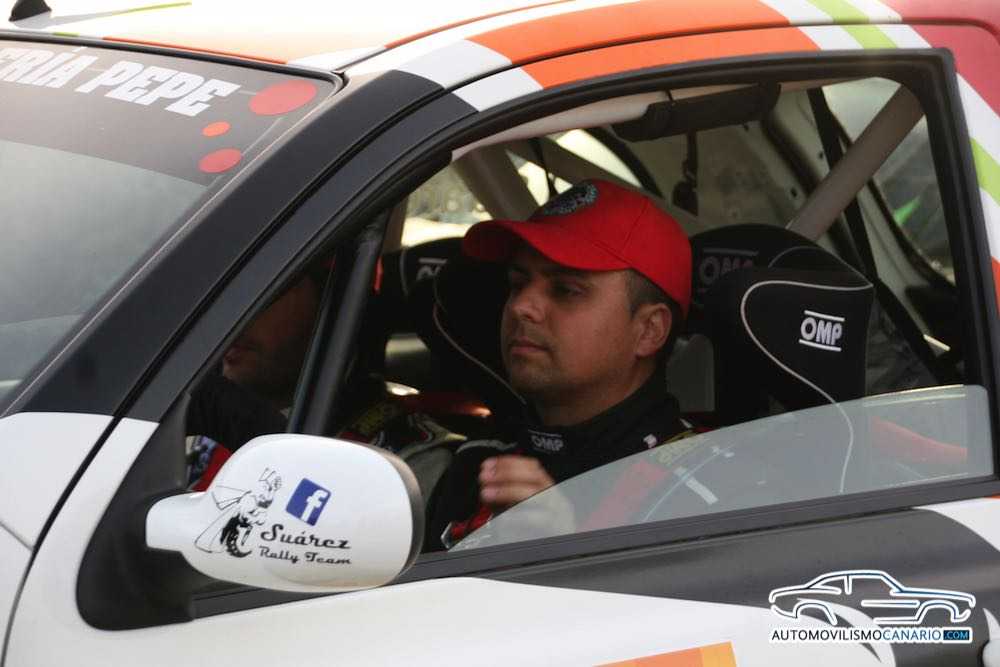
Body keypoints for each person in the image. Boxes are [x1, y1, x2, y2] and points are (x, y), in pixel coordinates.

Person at [428, 179, 694, 549]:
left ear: (649, 330)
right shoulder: (478, 458)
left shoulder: (702, 485)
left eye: (565, 290)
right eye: (517, 284)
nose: (521, 307)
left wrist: (562, 551)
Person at [186, 265, 463, 499]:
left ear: (332, 306)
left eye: (266, 292)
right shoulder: (192, 415)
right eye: (226, 296)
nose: (235, 316)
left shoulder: (402, 466)